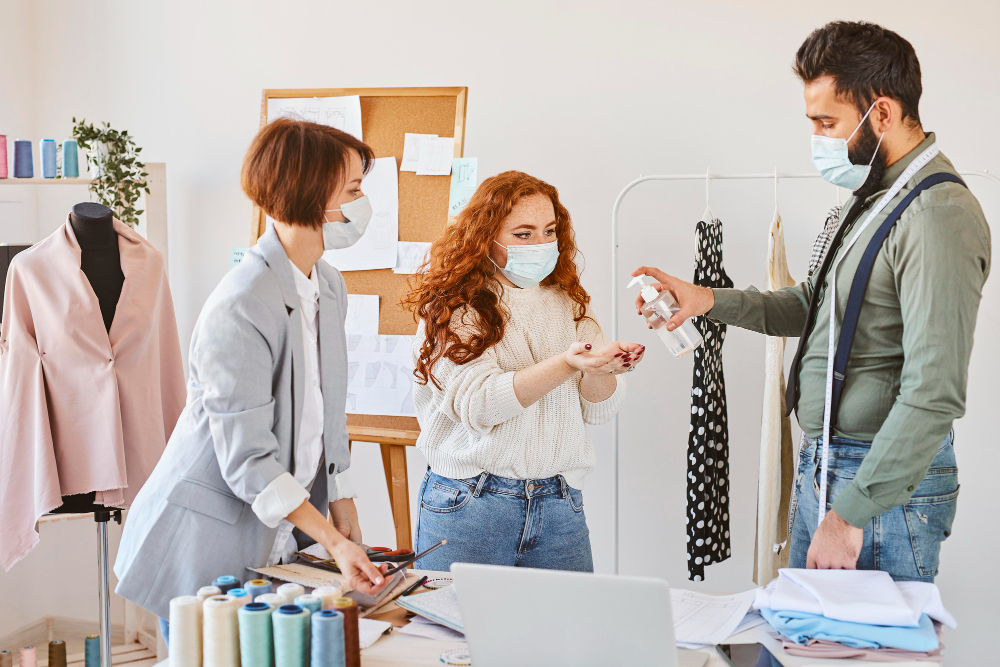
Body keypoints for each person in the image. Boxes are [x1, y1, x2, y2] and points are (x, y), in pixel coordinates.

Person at [634, 22, 990, 581]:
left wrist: (850, 513)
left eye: (828, 123)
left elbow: (934, 393)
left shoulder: (936, 216)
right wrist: (704, 299)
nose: (819, 139)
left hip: (875, 487)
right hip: (829, 465)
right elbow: (814, 304)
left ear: (882, 114)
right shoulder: (868, 198)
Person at [114, 118, 390, 640]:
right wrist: (332, 539)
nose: (361, 204)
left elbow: (329, 411)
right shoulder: (242, 303)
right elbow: (248, 458)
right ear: (311, 195)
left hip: (276, 536)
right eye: (352, 190)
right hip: (202, 541)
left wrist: (344, 497)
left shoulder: (327, 285)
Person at [404, 171, 645, 572]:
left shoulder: (567, 300)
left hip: (560, 504)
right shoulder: (455, 307)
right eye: (524, 234)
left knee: (566, 633)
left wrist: (602, 369)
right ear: (485, 238)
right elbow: (478, 405)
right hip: (472, 503)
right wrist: (567, 363)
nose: (541, 244)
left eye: (550, 231)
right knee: (459, 632)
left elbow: (599, 409)